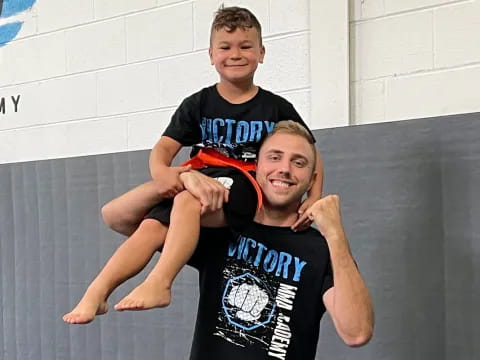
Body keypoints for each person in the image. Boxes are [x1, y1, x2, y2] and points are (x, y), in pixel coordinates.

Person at [63, 6, 323, 324]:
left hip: (246, 186)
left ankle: (161, 282)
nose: (235, 54)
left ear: (261, 53)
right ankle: (97, 292)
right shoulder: (198, 103)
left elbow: (309, 152)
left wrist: (311, 200)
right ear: (211, 54)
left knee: (186, 201)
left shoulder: (275, 107)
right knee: (150, 226)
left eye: (246, 46)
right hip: (201, 178)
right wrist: (165, 175)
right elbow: (162, 149)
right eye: (225, 47)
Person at [182, 121, 374, 359]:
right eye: (275, 157)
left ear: (312, 180)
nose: (285, 169)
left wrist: (335, 234)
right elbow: (123, 219)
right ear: (256, 167)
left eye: (298, 162)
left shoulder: (320, 250)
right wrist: (183, 178)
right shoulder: (223, 225)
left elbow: (356, 332)